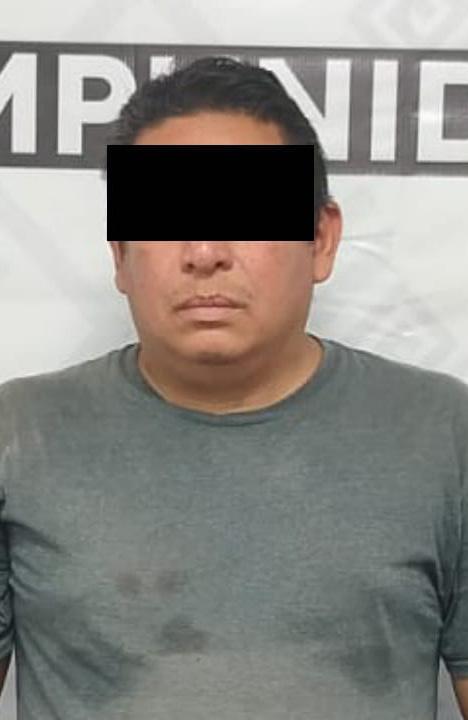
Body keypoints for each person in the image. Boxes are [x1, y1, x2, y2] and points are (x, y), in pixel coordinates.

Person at [1, 55, 467, 720]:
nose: (204, 252)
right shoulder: (19, 436)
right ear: (120, 254)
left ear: (321, 239)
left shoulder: (444, 434)